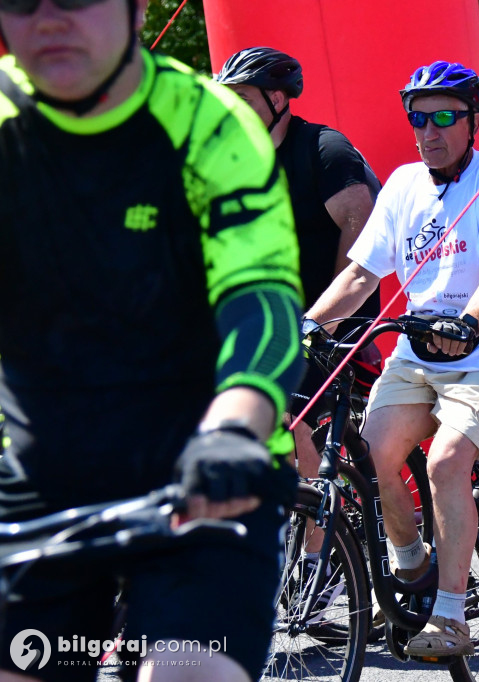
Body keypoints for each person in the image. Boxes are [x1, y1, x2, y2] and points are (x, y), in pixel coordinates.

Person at [0, 2, 304, 681]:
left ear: (139, 8)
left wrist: (237, 426)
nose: (48, 19)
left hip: (207, 476)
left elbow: (262, 298)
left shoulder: (208, 123)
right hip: (42, 478)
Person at [304, 60, 479, 656]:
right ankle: (410, 564)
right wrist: (309, 323)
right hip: (418, 352)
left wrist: (468, 325)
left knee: (444, 463)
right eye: (418, 116)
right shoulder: (405, 186)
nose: (428, 130)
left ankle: (453, 616)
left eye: (443, 117)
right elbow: (361, 272)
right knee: (376, 444)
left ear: (475, 122)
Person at [214, 46, 383, 484]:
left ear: (278, 99)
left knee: (284, 416)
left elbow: (361, 235)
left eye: (243, 99)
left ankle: (313, 541)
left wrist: (322, 322)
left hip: (334, 321)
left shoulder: (324, 150)